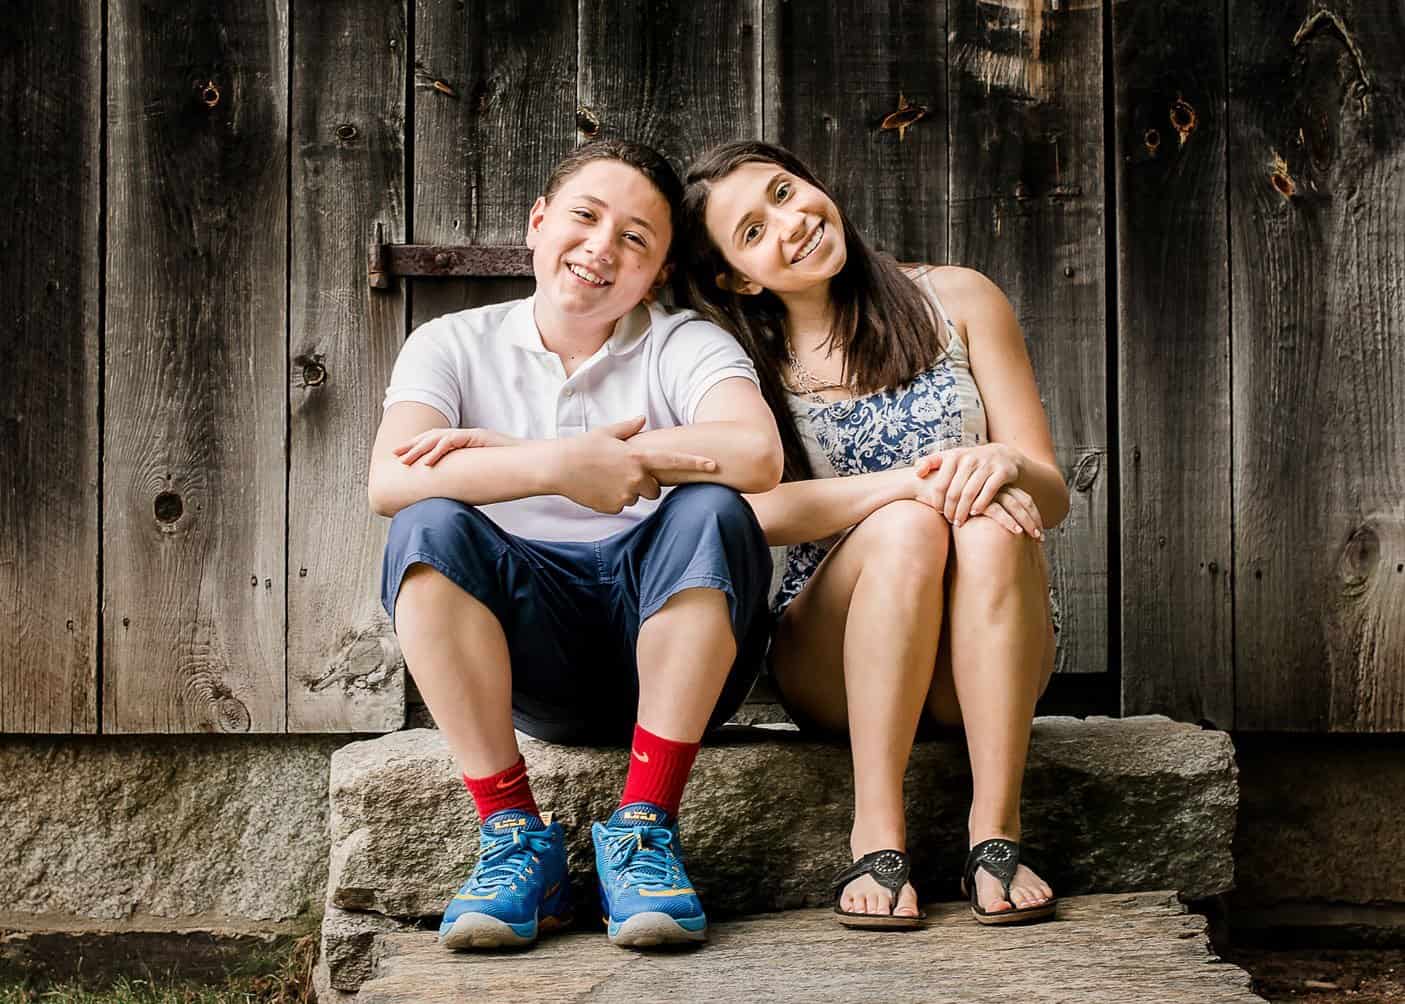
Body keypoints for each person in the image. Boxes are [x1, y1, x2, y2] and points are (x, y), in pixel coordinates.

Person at [367, 140, 782, 951]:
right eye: (586, 217)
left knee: (711, 508)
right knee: (428, 526)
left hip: (676, 642)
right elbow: (390, 480)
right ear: (538, 222)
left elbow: (755, 456)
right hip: (535, 659)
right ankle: (515, 839)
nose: (602, 248)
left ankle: (644, 833)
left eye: (635, 238)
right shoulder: (451, 342)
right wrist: (556, 466)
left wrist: (614, 460)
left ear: (657, 271)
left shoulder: (683, 343)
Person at [675, 140, 1064, 927]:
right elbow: (745, 514)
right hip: (835, 656)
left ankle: (995, 833)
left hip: (982, 652)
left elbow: (1048, 494)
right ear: (737, 277)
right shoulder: (740, 361)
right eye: (752, 231)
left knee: (990, 526)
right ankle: (876, 831)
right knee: (911, 523)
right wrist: (904, 487)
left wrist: (1000, 463)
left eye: (786, 192)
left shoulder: (957, 298)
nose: (791, 223)